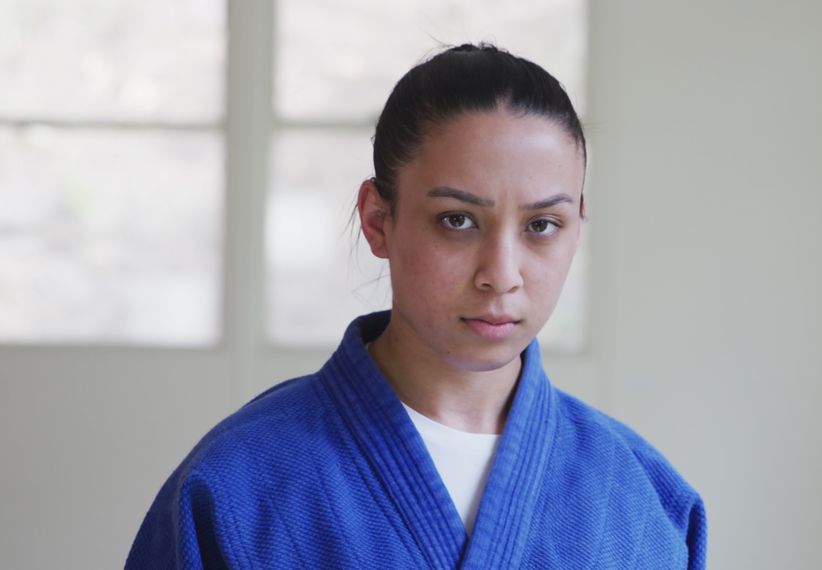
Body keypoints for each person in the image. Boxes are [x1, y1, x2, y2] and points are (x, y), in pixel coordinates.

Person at [126, 43, 707, 569]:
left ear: (578, 225)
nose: (501, 275)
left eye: (541, 225)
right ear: (379, 221)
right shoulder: (235, 487)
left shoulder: (646, 501)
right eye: (458, 220)